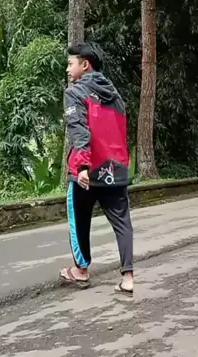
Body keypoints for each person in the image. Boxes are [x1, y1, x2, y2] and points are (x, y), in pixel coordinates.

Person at [59, 42, 134, 296]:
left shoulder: (74, 93)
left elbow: (79, 130)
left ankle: (81, 271)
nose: (68, 69)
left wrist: (81, 165)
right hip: (116, 168)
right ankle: (128, 277)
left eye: (70, 63)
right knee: (123, 222)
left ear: (85, 65)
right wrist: (124, 165)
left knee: (80, 220)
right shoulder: (116, 96)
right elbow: (121, 133)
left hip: (89, 171)